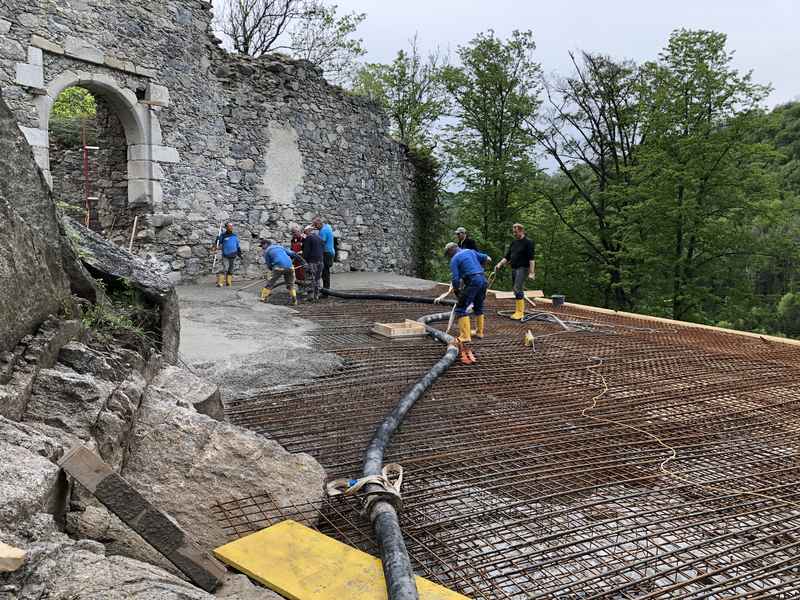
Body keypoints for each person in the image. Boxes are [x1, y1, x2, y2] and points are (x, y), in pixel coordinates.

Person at [439, 242, 491, 365]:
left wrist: (457, 291)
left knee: (461, 308)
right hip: (483, 280)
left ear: (451, 250)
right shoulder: (470, 251)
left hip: (473, 281)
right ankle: (479, 332)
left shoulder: (455, 259)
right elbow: (488, 258)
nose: (449, 257)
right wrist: (480, 269)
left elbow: (455, 278)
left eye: (448, 254)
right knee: (478, 307)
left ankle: (465, 336)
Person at [494, 223, 535, 320]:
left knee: (517, 288)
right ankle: (518, 310)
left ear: (521, 231)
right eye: (513, 232)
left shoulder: (528, 242)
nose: (514, 234)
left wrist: (532, 272)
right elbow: (507, 256)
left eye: (516, 232)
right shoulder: (514, 242)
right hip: (514, 268)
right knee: (515, 289)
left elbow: (531, 259)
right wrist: (499, 264)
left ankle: (520, 313)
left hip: (523, 268)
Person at [260, 240, 306, 306]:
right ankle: (294, 300)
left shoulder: (267, 251)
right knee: (290, 284)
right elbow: (293, 254)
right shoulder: (280, 247)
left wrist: (272, 270)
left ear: (266, 244)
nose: (262, 248)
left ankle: (263, 298)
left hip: (278, 267)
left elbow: (268, 264)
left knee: (270, 283)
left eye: (262, 246)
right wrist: (303, 261)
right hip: (290, 267)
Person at [213, 222, 242, 287]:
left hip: (233, 254)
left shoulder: (234, 236)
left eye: (231, 226)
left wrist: (239, 253)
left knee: (231, 268)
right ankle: (220, 283)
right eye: (229, 226)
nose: (231, 228)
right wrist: (217, 240)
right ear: (226, 227)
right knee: (225, 268)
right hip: (225, 254)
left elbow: (237, 245)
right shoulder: (223, 235)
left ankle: (228, 282)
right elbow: (218, 243)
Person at [301, 225, 324, 302]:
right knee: (317, 279)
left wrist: (303, 260)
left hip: (312, 262)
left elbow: (306, 252)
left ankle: (310, 297)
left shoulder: (309, 238)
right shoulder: (320, 238)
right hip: (320, 261)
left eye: (305, 232)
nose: (305, 234)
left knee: (310, 279)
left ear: (308, 231)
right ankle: (316, 296)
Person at [312, 216, 335, 290]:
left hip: (326, 253)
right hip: (331, 252)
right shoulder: (327, 226)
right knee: (326, 272)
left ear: (320, 223)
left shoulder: (323, 231)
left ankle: (326, 290)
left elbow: (321, 243)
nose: (315, 227)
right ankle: (326, 289)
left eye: (316, 225)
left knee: (325, 273)